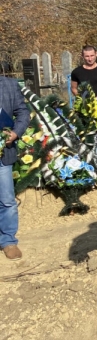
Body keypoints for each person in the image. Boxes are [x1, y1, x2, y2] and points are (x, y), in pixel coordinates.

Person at [0, 76, 31, 261]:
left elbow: (23, 113)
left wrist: (15, 133)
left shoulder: (10, 85)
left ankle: (8, 241)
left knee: (6, 200)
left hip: (3, 154)